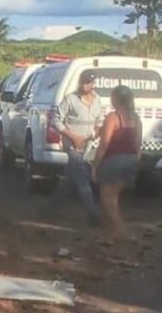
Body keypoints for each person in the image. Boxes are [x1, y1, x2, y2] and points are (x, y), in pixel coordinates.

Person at [54, 71, 104, 226]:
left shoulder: (97, 100)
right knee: (83, 180)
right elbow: (56, 120)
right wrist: (73, 136)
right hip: (73, 145)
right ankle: (93, 214)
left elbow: (100, 119)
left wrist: (97, 129)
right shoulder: (70, 99)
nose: (85, 85)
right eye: (83, 82)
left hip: (89, 146)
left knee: (70, 179)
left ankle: (50, 209)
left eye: (88, 83)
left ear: (93, 84)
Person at [92, 85, 142, 236]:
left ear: (114, 99)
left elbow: (104, 144)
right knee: (114, 199)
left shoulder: (113, 117)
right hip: (131, 159)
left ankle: (124, 232)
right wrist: (135, 162)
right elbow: (138, 144)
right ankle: (112, 236)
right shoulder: (136, 118)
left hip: (114, 160)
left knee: (107, 200)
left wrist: (95, 165)